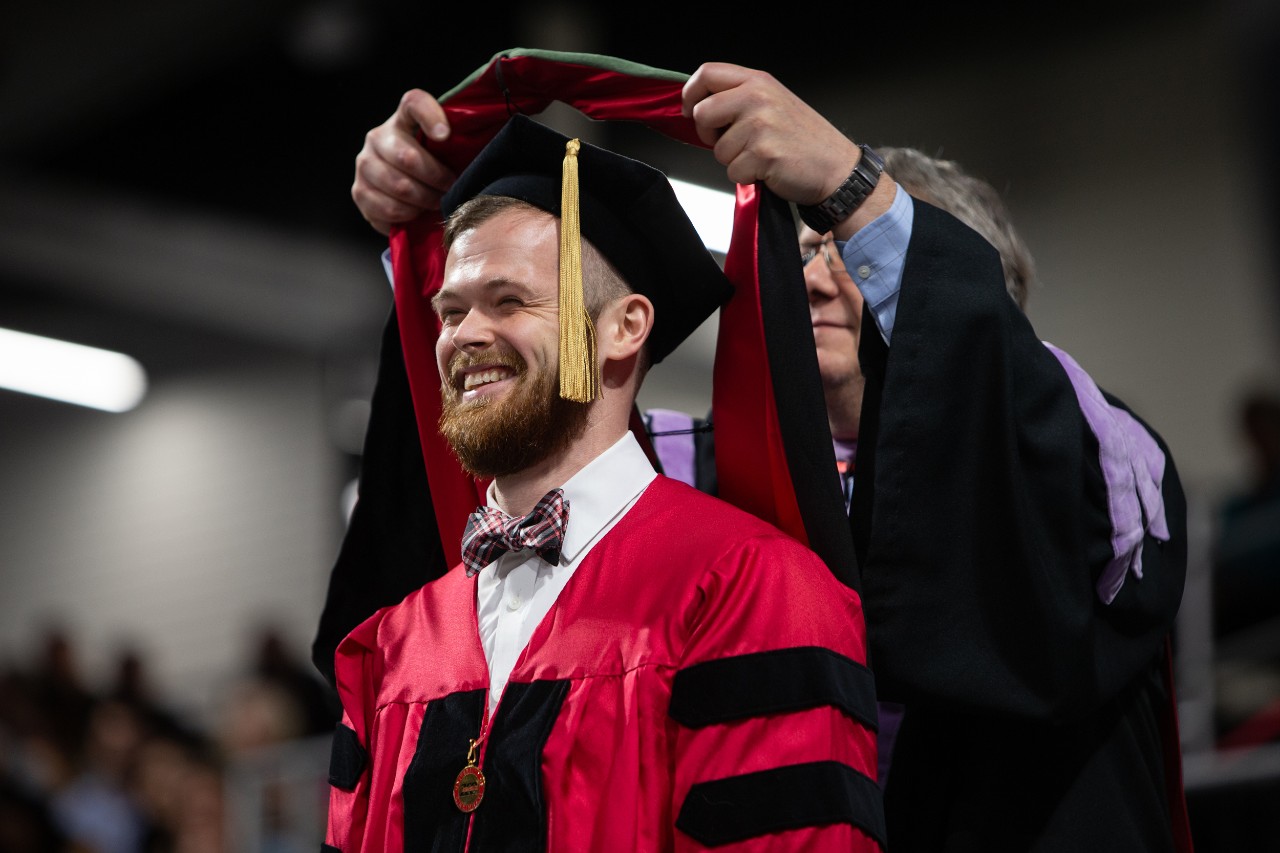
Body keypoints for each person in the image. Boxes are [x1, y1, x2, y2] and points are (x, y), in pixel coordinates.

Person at [337, 59, 1188, 850]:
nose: (812, 277)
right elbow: (527, 430)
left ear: (973, 297)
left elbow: (1033, 581)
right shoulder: (687, 472)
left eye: (856, 252)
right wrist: (437, 229)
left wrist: (852, 187)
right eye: (805, 247)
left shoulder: (1095, 458)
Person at [321, 113, 884, 851]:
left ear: (624, 327)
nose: (465, 336)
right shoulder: (392, 644)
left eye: (510, 301)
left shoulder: (752, 589)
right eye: (451, 312)